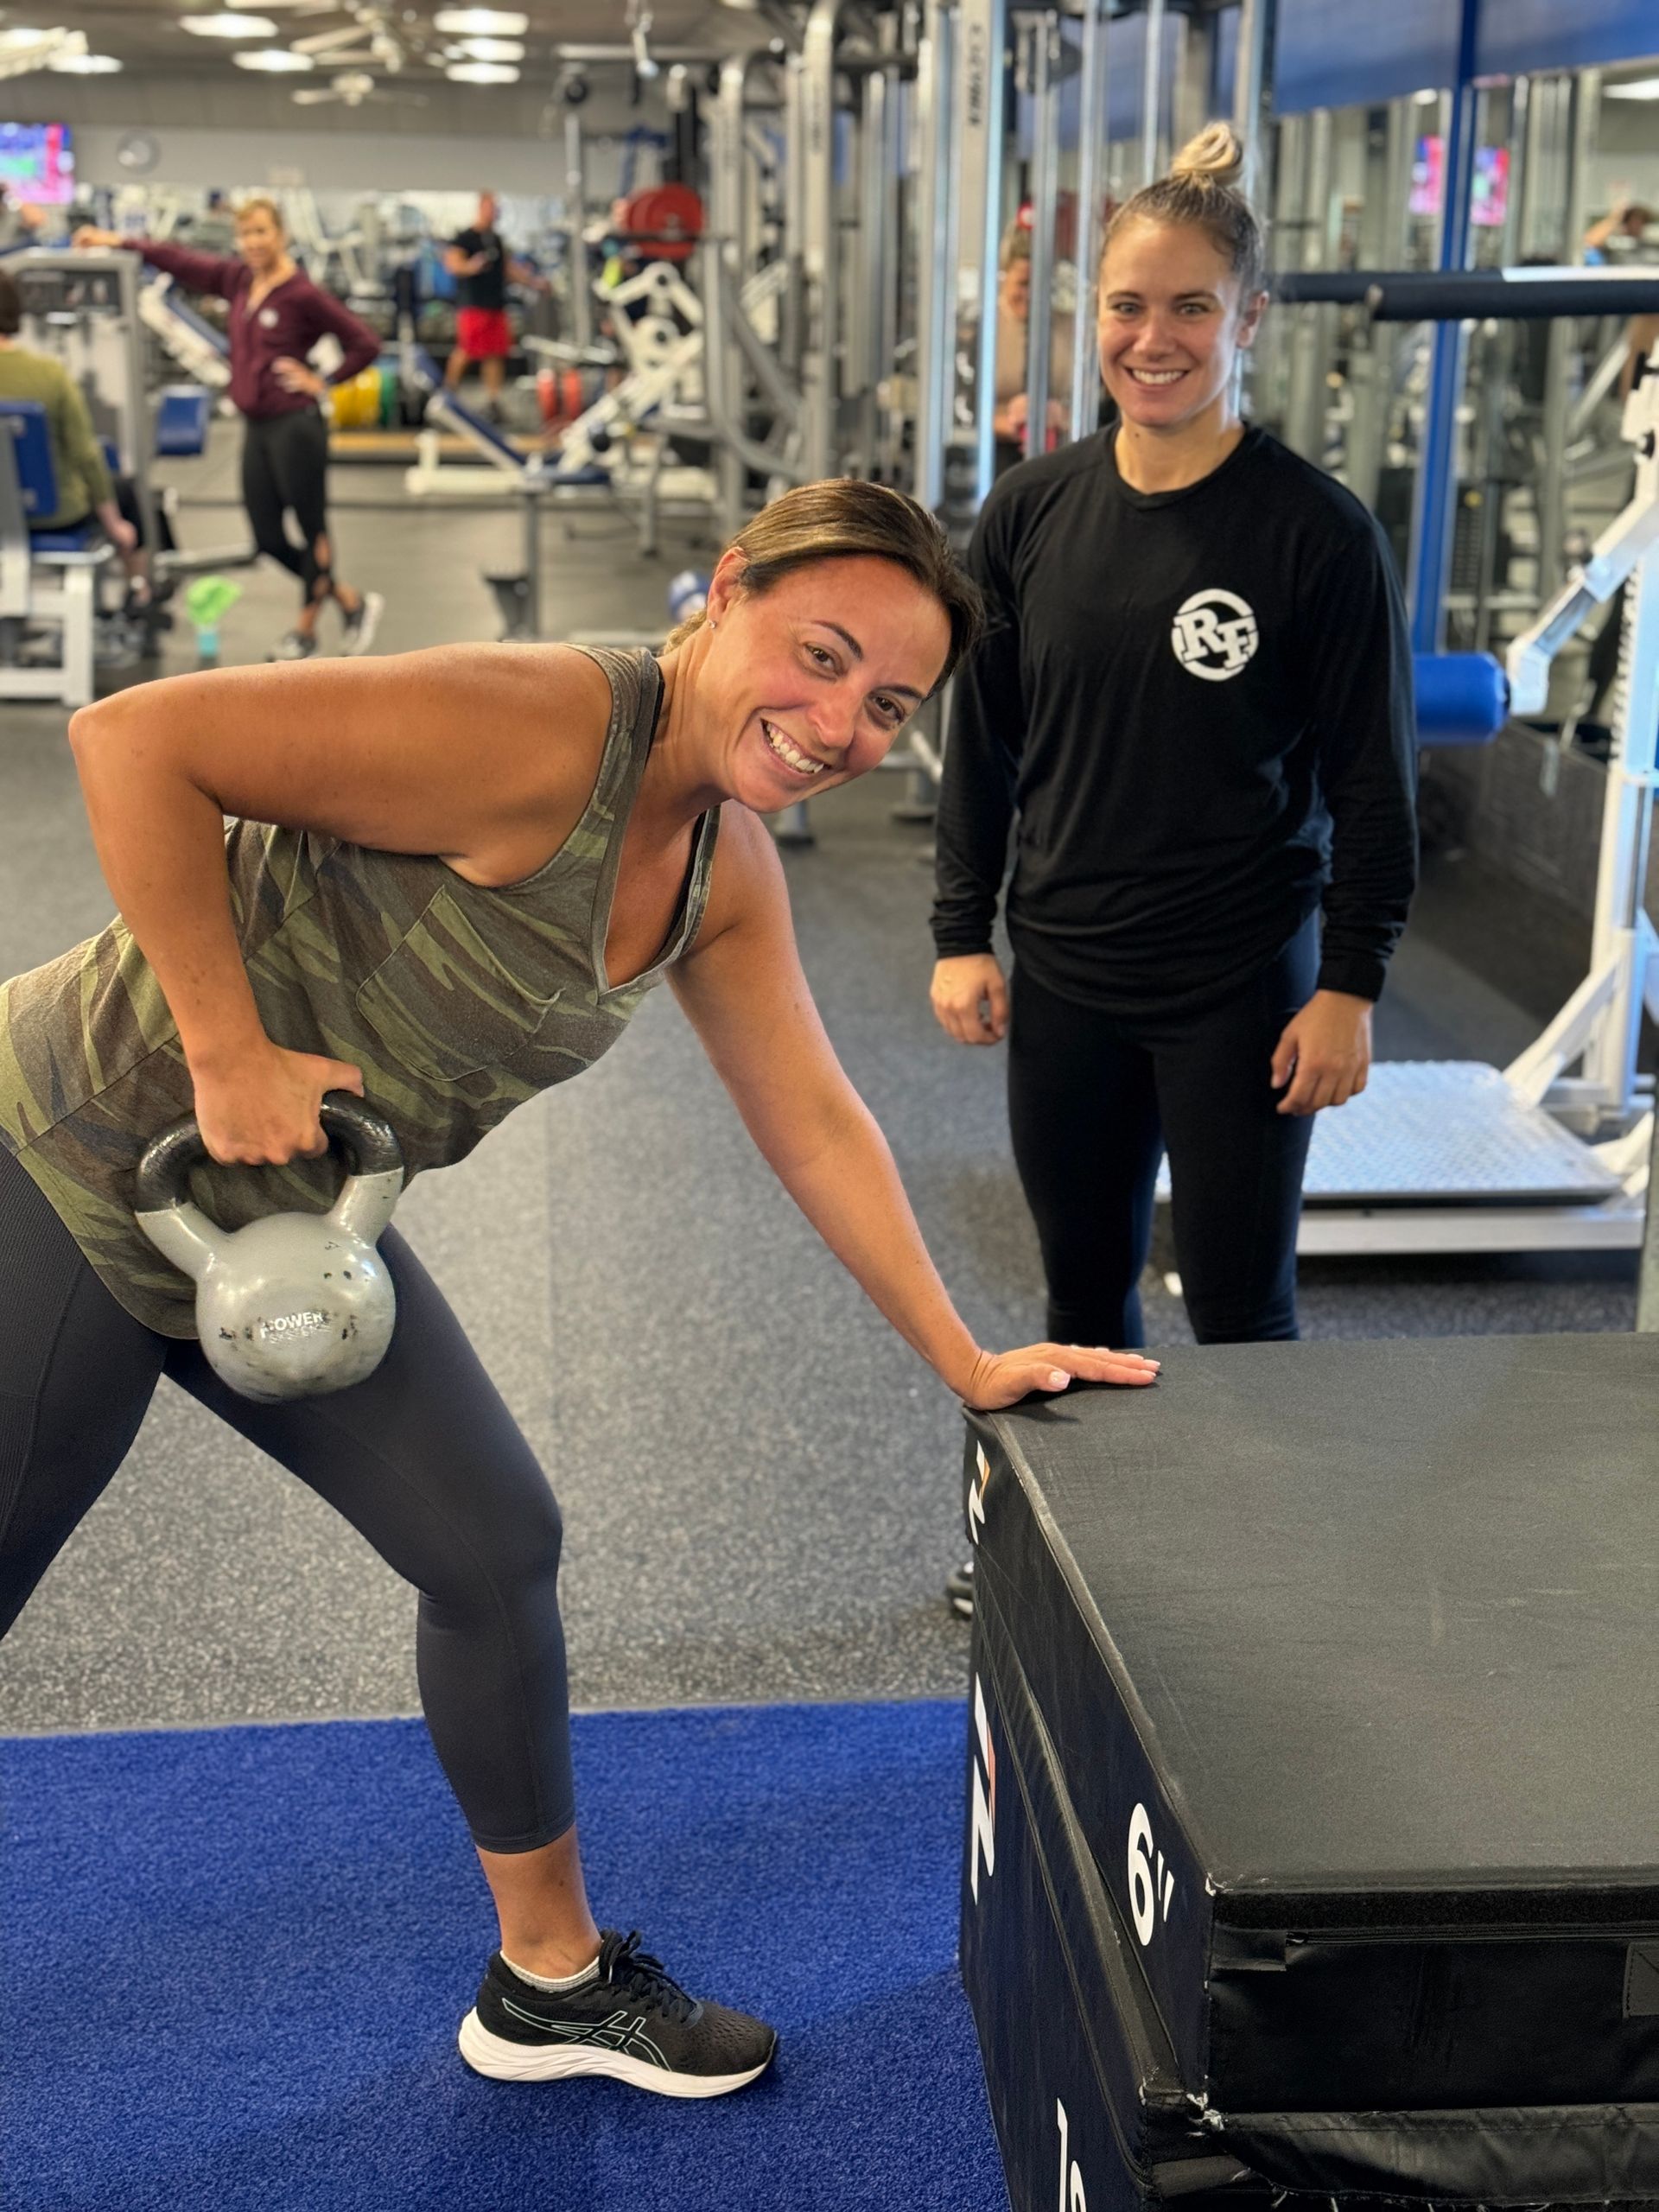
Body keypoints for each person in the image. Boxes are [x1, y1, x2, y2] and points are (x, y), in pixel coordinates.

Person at [0, 478, 1160, 2096]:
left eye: (888, 704)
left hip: (292, 1231)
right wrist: (224, 1047)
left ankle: (547, 1986)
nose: (840, 722)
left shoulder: (718, 866)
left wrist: (963, 1358)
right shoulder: (547, 727)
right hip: (66, 1161)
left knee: (491, 1546)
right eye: (819, 658)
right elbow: (134, 737)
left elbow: (819, 1126)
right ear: (728, 592)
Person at [931, 125, 1416, 1613]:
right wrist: (964, 932)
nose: (1155, 340)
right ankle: (1076, 1570)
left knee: (1243, 1303)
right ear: (1093, 320)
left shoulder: (1317, 535)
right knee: (1078, 1294)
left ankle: (1254, 1577)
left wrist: (1349, 986)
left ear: (1249, 321)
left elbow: (1371, 783)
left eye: (1192, 307)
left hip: (1239, 985)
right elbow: (987, 745)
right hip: (1068, 973)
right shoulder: (1030, 513)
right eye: (1129, 308)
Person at [72, 200, 385, 664]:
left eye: (261, 232)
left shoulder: (301, 294)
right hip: (256, 428)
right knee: (267, 539)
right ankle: (351, 601)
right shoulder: (237, 280)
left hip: (295, 426)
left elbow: (366, 342)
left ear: (281, 234)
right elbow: (178, 259)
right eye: (245, 234)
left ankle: (305, 631)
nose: (253, 242)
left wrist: (324, 382)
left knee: (312, 526)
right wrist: (119, 241)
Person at [0, 264, 146, 593]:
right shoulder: (49, 374)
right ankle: (140, 589)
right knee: (122, 489)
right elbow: (86, 455)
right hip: (52, 514)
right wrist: (115, 525)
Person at [443, 192, 543, 419]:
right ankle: (448, 394)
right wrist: (472, 267)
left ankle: (493, 401)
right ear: (480, 208)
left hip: (495, 305)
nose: (494, 212)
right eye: (490, 207)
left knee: (495, 354)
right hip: (472, 305)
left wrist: (533, 282)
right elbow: (452, 265)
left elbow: (508, 269)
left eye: (496, 208)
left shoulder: (496, 240)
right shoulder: (465, 238)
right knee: (467, 349)